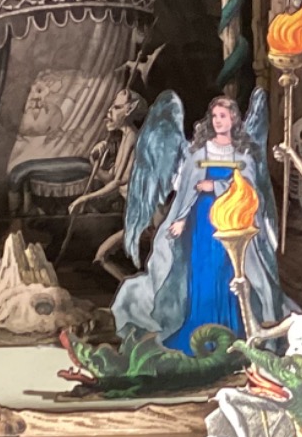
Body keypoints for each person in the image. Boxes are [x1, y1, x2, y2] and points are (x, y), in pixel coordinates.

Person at [114, 93, 284, 353]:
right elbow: (186, 192)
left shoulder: (244, 154)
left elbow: (251, 190)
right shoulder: (199, 153)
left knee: (230, 274)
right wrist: (181, 219)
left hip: (232, 224)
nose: (217, 121)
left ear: (234, 119)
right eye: (214, 116)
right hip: (201, 224)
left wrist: (216, 186)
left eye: (223, 116)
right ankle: (199, 329)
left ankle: (234, 331)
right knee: (202, 272)